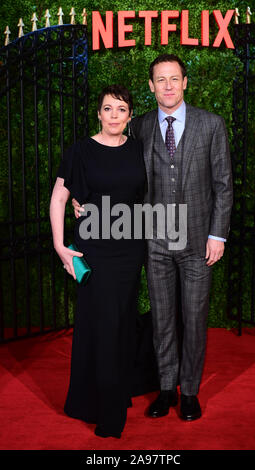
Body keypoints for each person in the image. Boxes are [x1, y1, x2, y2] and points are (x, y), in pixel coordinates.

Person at [73, 54, 233, 422]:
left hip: (197, 243)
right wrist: (86, 201)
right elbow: (116, 172)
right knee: (162, 320)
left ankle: (189, 392)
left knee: (194, 319)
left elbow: (223, 186)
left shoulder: (211, 125)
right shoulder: (139, 127)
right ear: (151, 86)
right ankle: (165, 389)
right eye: (160, 80)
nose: (168, 86)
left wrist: (217, 235)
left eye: (174, 78)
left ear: (185, 82)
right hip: (154, 242)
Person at [49, 85, 146, 438]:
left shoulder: (138, 149)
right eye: (108, 109)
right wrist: (61, 245)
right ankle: (107, 410)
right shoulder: (80, 151)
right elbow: (59, 198)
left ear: (130, 116)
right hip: (95, 251)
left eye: (122, 109)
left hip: (130, 250)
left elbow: (144, 198)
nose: (115, 115)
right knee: (102, 325)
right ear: (99, 114)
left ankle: (113, 394)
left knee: (119, 325)